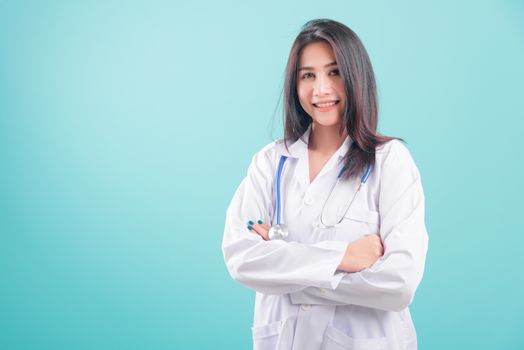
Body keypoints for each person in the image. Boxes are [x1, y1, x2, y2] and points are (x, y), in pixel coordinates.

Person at [221, 18, 428, 350]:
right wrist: (344, 256)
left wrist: (287, 272)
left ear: (356, 77)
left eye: (334, 72)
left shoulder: (390, 162)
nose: (321, 89)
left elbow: (399, 283)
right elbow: (241, 258)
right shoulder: (271, 163)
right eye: (308, 75)